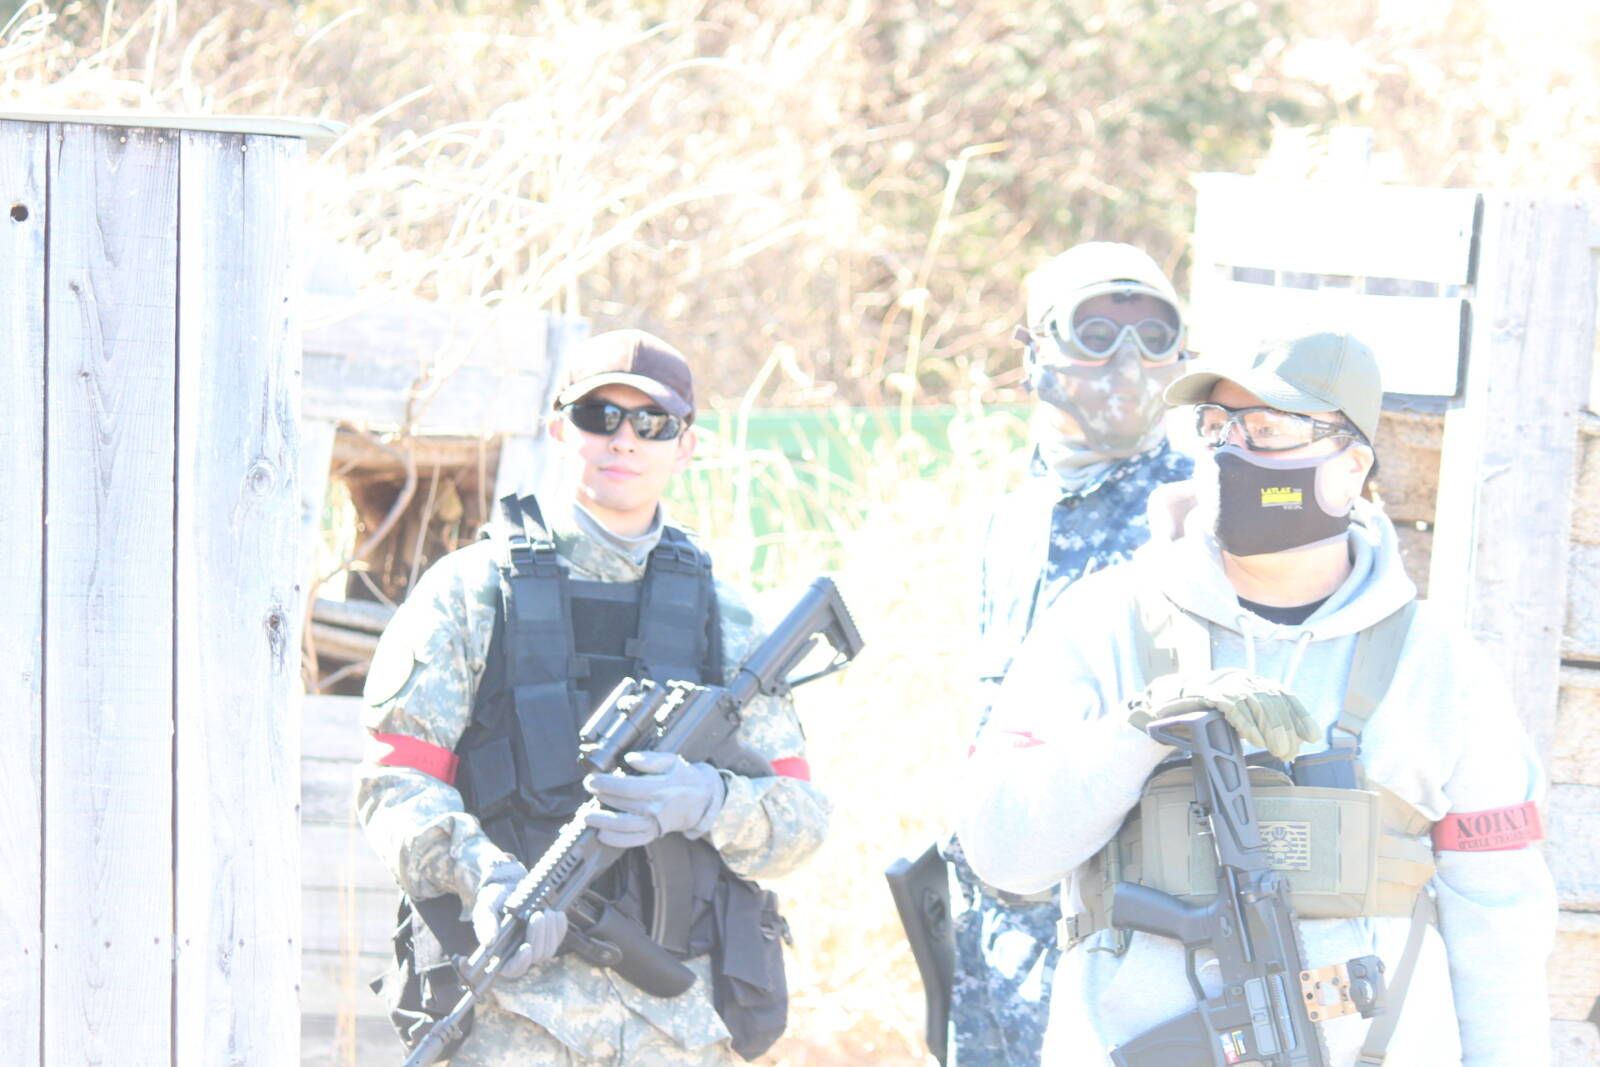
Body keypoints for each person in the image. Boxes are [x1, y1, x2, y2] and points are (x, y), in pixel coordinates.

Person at [958, 332, 1556, 1066]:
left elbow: (1500, 920)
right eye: (1216, 427)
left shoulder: (1441, 665)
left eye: (1267, 430)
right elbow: (1001, 854)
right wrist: (1135, 735)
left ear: (1351, 466)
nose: (1230, 453)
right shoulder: (1103, 622)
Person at [356, 329, 829, 1066]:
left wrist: (706, 799)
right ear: (558, 429)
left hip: (679, 1027)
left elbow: (800, 820)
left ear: (686, 445)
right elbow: (393, 785)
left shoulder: (731, 620)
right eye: (598, 415)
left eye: (652, 422)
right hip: (511, 1019)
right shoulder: (469, 593)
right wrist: (482, 876)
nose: (624, 438)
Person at [942, 242, 1195, 1066]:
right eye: (1096, 333)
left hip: (1125, 927)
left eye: (1154, 336)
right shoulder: (1014, 516)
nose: (1128, 361)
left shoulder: (1195, 509)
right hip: (998, 922)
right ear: (1036, 354)